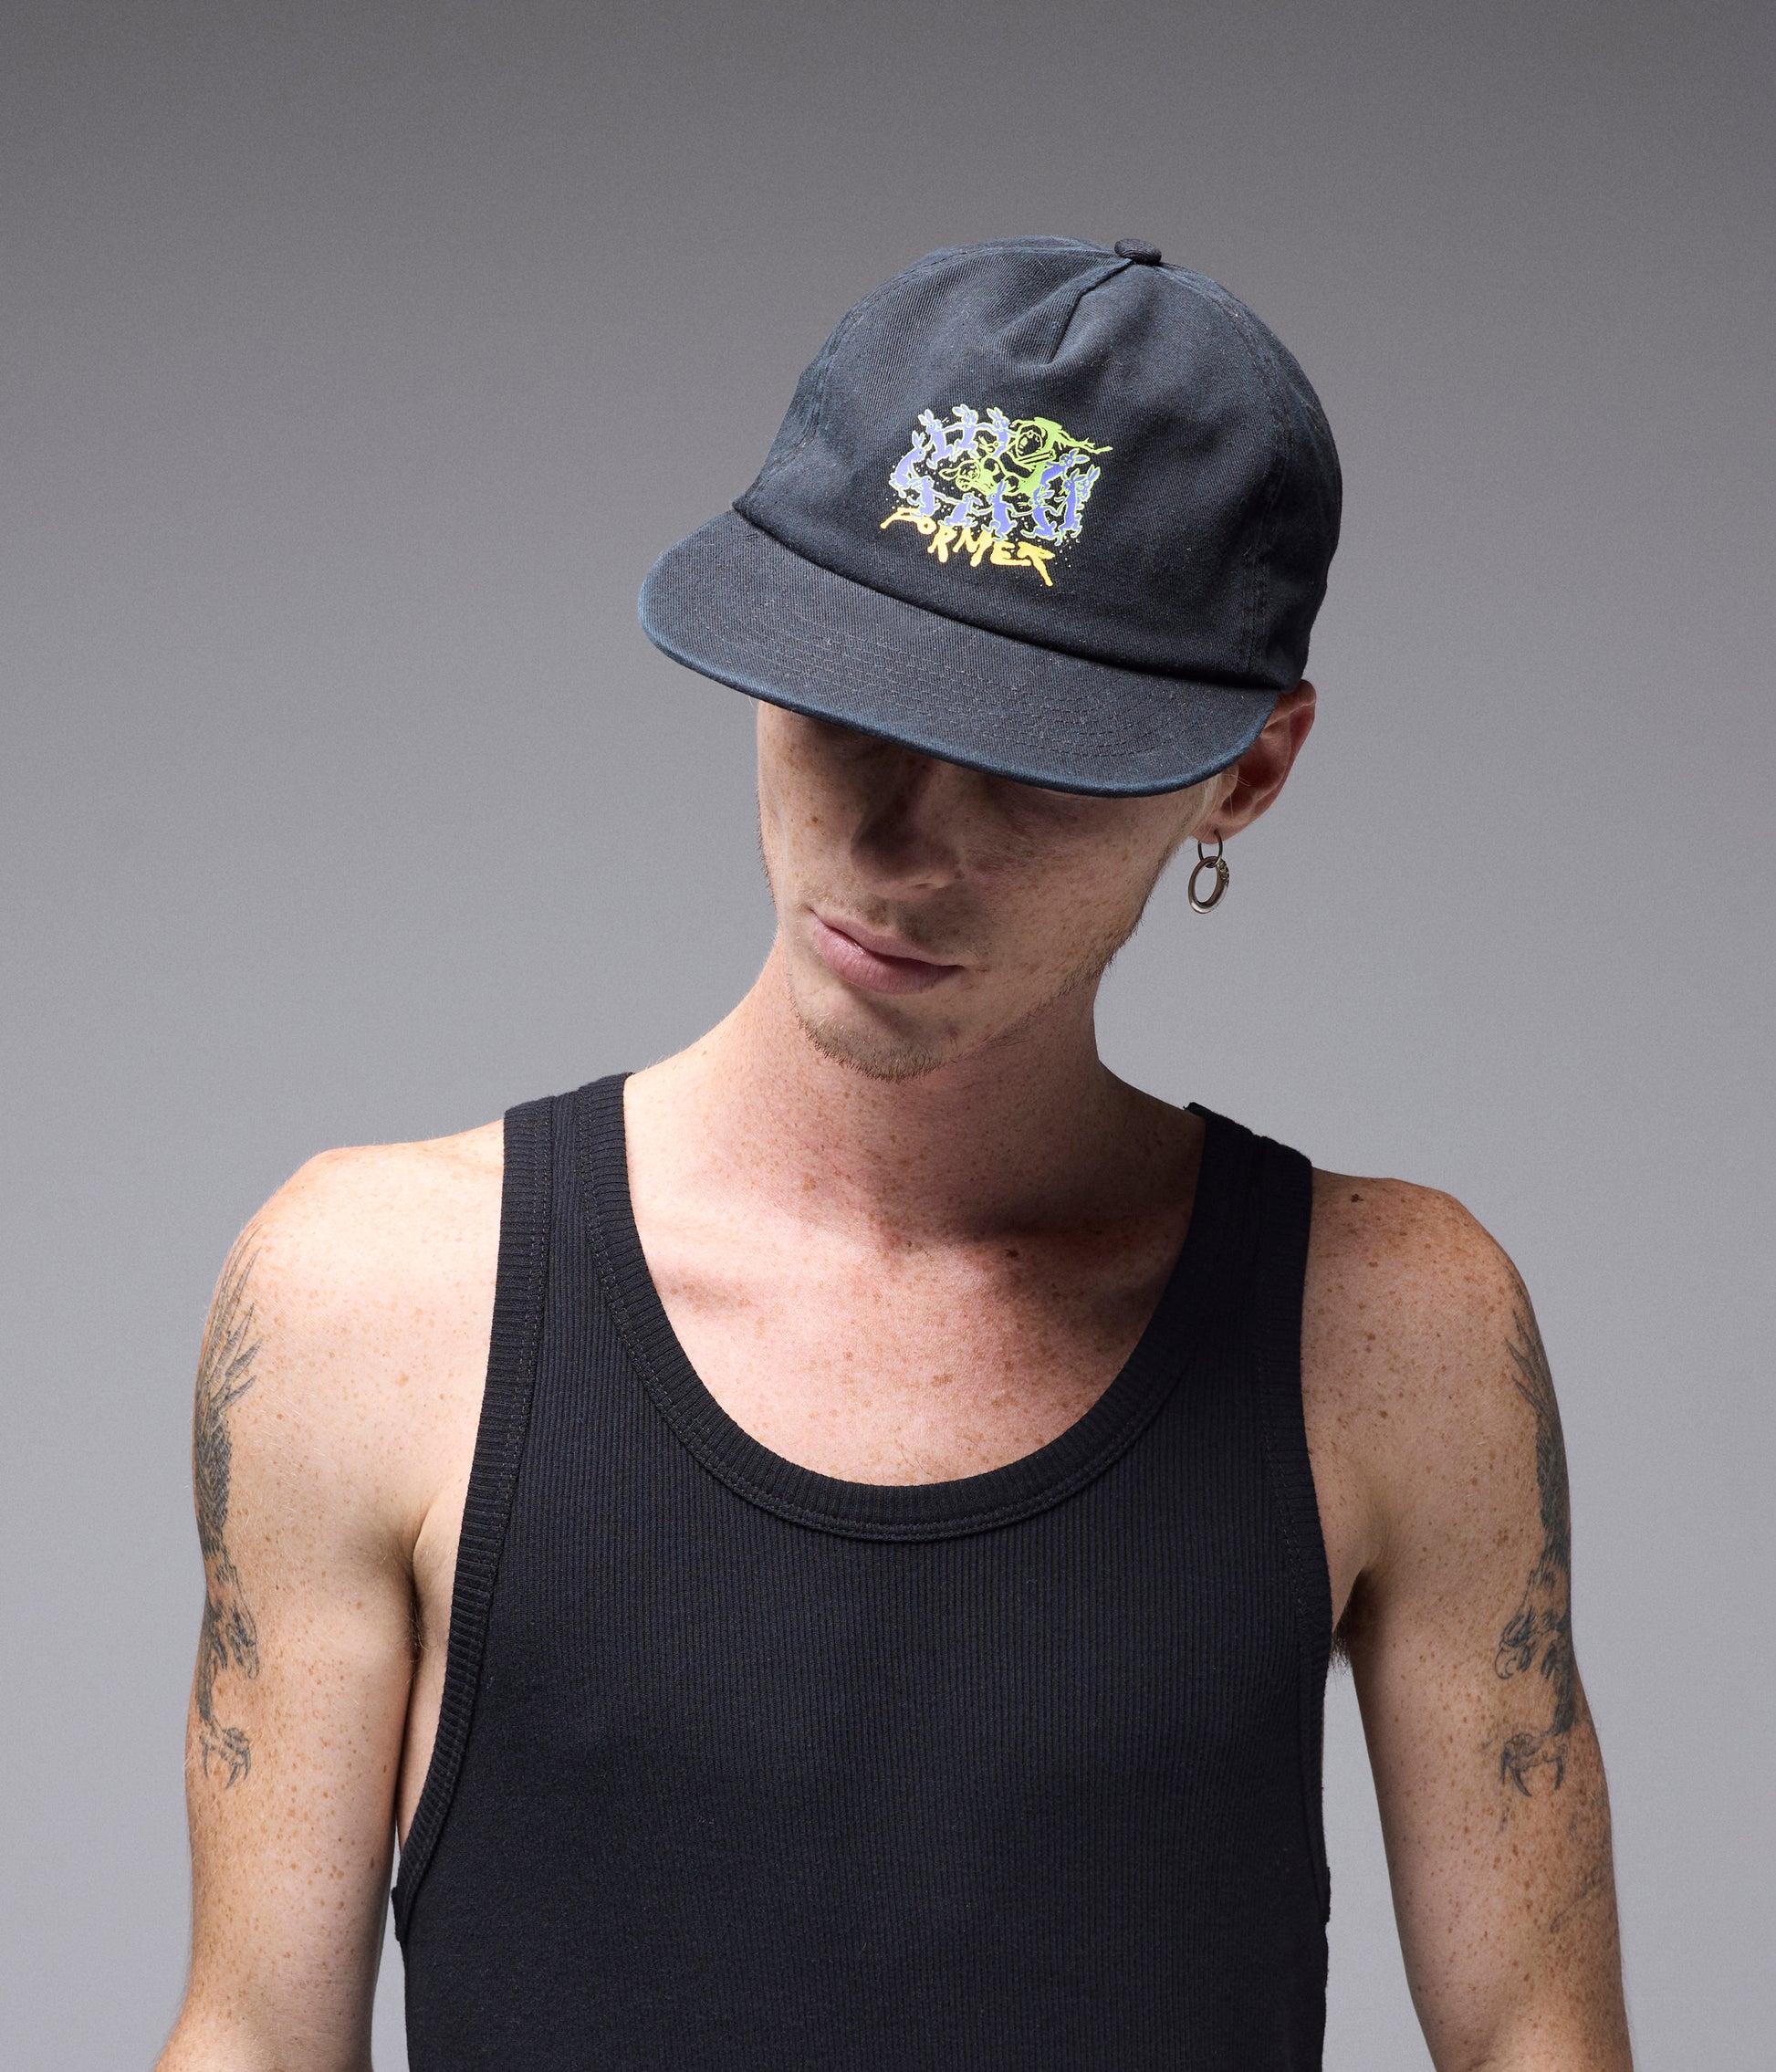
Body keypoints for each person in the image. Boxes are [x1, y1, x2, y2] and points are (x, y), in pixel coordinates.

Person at [158, 237, 1632, 2071]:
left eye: (1032, 756)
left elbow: (1537, 2042)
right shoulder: (371, 1304)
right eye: (845, 696)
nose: (899, 841)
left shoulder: (1399, 1331)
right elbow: (252, 2036)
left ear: (1248, 772)